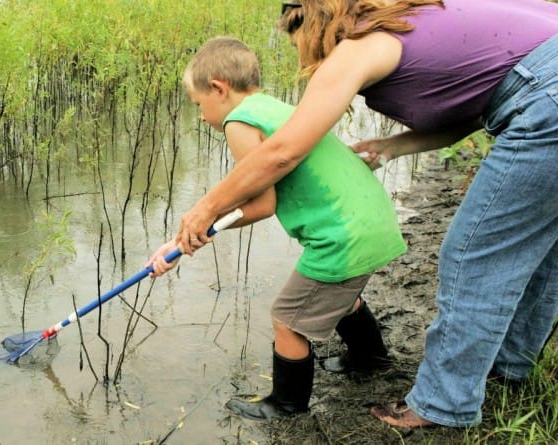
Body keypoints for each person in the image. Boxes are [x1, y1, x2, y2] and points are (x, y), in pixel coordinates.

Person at [173, 0, 558, 429]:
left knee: (473, 259)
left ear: (314, 24)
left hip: (548, 99)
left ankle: (437, 404)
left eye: (296, 37)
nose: (302, 53)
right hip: (540, 92)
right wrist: (393, 147)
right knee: (542, 254)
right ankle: (507, 367)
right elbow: (479, 104)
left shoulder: (359, 46)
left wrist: (204, 210)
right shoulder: (415, 20)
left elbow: (283, 152)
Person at [146, 35, 406, 421]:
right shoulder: (276, 107)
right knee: (337, 295)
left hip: (342, 238)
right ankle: (370, 361)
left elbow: (263, 204)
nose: (201, 116)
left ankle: (286, 406)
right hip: (372, 221)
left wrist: (195, 233)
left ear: (219, 88)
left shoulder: (239, 120)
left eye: (199, 105)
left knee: (288, 319)